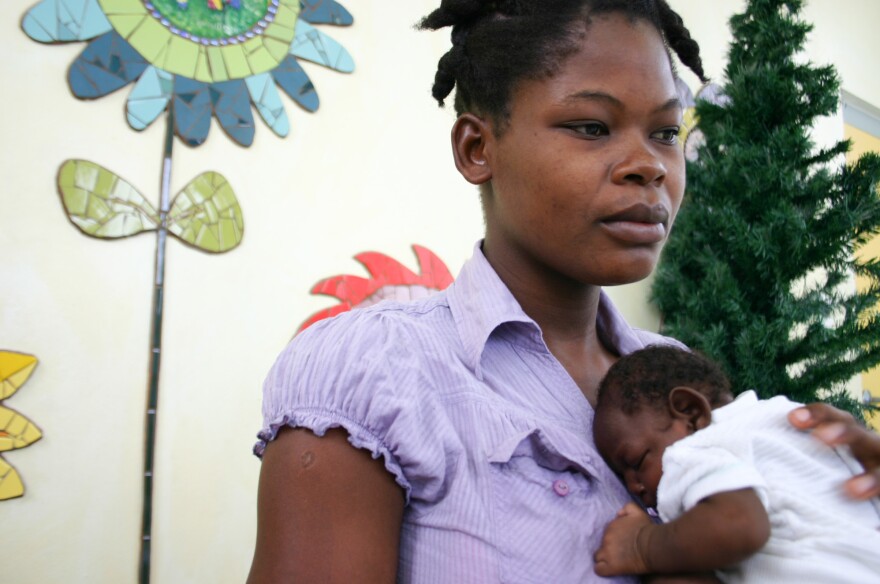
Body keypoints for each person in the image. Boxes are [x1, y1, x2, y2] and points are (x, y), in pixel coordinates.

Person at [246, 2, 880, 582]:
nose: (650, 165)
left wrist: (837, 497)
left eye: (665, 132)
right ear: (476, 148)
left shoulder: (667, 375)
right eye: (591, 127)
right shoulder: (376, 371)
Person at [592, 345, 880, 583]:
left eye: (636, 462)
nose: (633, 485)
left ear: (690, 414)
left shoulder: (695, 448)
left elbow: (741, 525)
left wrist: (642, 545)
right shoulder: (783, 415)